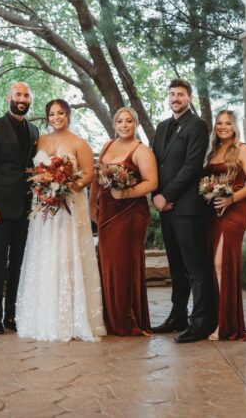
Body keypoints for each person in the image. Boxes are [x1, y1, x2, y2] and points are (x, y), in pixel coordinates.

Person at [16, 99, 106, 342]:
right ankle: (43, 316)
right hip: (44, 207)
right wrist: (45, 187)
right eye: (52, 113)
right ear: (47, 117)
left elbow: (87, 174)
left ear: (68, 115)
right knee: (45, 253)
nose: (57, 117)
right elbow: (34, 171)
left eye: (61, 113)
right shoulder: (41, 141)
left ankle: (72, 319)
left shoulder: (79, 143)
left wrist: (65, 187)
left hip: (69, 207)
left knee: (66, 253)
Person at [149, 78, 214, 343]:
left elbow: (192, 165)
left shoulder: (197, 125)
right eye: (172, 94)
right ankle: (177, 316)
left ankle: (200, 323)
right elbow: (155, 162)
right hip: (166, 207)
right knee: (176, 267)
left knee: (195, 268)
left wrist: (168, 195)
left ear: (189, 98)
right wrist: (156, 195)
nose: (176, 98)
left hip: (187, 208)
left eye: (181, 94)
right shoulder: (163, 126)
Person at [0, 82, 40, 335]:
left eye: (26, 95)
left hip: (27, 209)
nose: (22, 98)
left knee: (18, 264)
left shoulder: (35, 130)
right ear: (9, 97)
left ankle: (12, 315)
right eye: (18, 94)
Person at [90, 106, 158, 337]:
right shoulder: (107, 146)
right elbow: (97, 178)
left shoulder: (142, 150)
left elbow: (152, 182)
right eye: (120, 121)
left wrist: (127, 193)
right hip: (108, 212)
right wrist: (92, 204)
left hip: (131, 214)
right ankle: (110, 318)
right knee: (107, 264)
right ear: (114, 124)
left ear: (136, 123)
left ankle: (127, 319)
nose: (124, 125)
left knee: (124, 265)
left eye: (129, 121)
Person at [203, 110, 246, 341]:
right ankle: (220, 319)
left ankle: (228, 325)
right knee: (215, 265)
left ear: (235, 126)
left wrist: (231, 198)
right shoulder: (213, 152)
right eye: (219, 123)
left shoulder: (243, 149)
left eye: (228, 123)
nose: (223, 127)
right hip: (213, 212)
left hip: (234, 210)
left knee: (221, 263)